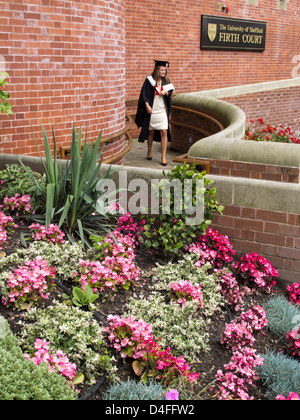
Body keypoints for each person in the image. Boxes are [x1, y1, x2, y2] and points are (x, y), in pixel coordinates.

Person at [135, 60, 174, 166]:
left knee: (164, 132)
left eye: (165, 70)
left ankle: (164, 156)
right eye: (162, 70)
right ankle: (149, 151)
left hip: (162, 110)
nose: (163, 72)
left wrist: (166, 92)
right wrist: (147, 105)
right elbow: (144, 94)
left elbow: (170, 92)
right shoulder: (149, 80)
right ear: (157, 70)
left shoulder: (166, 80)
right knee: (151, 132)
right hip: (153, 110)